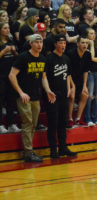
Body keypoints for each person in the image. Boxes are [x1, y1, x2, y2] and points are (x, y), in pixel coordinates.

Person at [9, 34, 56, 162]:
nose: (39, 45)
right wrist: (21, 92)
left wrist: (48, 90)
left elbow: (44, 77)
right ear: (31, 44)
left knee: (33, 124)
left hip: (36, 96)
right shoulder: (23, 57)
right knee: (28, 123)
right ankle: (28, 153)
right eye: (36, 42)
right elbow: (12, 75)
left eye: (41, 42)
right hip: (24, 97)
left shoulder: (42, 58)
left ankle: (29, 152)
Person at [44, 34, 77, 158]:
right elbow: (44, 77)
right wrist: (48, 91)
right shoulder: (49, 59)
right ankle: (53, 150)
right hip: (52, 96)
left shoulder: (66, 58)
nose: (63, 45)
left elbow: (68, 75)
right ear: (55, 44)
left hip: (64, 95)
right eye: (60, 43)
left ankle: (63, 147)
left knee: (63, 123)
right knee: (53, 123)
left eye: (64, 43)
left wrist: (69, 89)